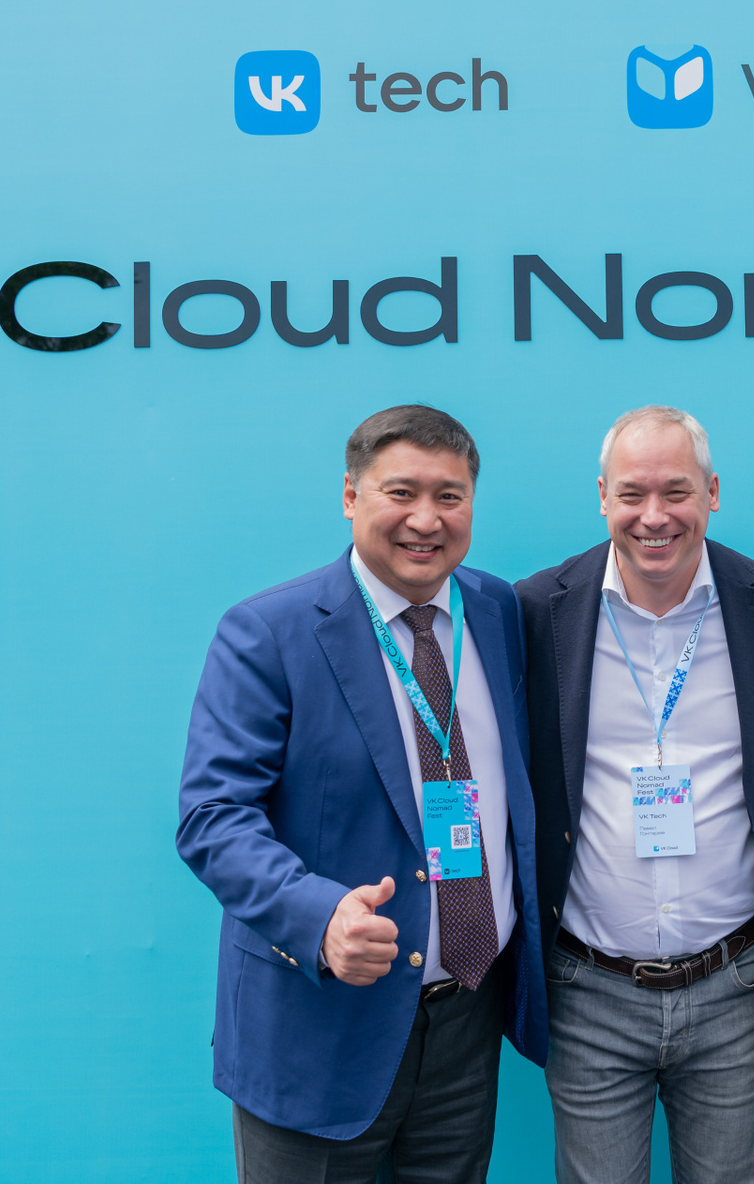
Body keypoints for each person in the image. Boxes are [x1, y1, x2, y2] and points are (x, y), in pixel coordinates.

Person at [176, 405, 546, 1184]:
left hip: (465, 1021)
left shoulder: (498, 611)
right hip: (319, 1028)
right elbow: (212, 817)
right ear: (350, 496)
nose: (426, 519)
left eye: (449, 496)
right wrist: (319, 916)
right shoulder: (268, 631)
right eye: (400, 492)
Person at [516, 405, 754, 1184]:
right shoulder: (537, 609)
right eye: (632, 493)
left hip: (735, 984)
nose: (654, 516)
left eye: (676, 491)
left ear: (712, 492)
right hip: (589, 989)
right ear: (602, 496)